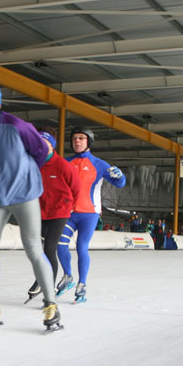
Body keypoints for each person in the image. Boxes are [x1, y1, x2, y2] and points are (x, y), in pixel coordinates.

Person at [0, 79, 62, 332]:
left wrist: (24, 175)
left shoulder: (17, 126)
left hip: (24, 194)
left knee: (33, 247)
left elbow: (40, 152)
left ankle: (51, 304)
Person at [56, 127, 126, 302]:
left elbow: (119, 184)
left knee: (81, 247)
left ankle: (82, 284)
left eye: (81, 138)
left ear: (89, 142)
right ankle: (68, 276)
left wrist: (120, 176)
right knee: (60, 244)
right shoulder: (66, 162)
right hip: (69, 213)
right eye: (74, 138)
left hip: (89, 214)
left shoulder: (99, 164)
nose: (77, 141)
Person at [25, 131, 80, 303]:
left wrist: (69, 206)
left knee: (49, 248)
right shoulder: (34, 164)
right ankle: (40, 280)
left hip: (60, 212)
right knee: (38, 249)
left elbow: (76, 188)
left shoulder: (62, 164)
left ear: (51, 145)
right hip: (41, 212)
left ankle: (48, 289)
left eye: (45, 142)